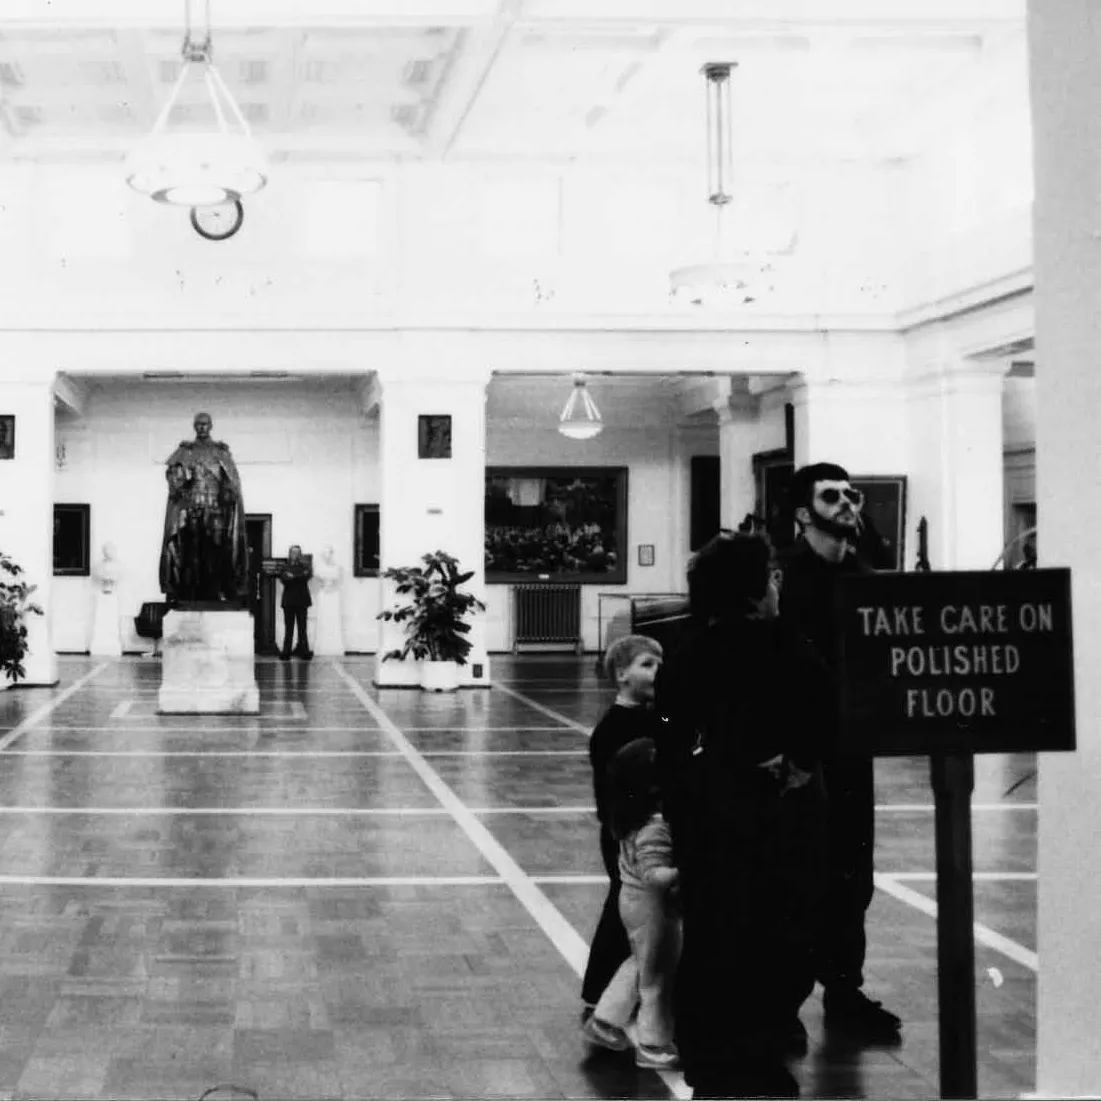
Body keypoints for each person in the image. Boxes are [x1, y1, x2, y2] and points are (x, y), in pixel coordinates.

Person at [656, 531, 827, 1099]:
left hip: (730, 819)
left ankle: (726, 1058)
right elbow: (820, 716)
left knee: (728, 939)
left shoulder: (699, 650)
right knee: (762, 938)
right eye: (771, 577)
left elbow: (676, 745)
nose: (779, 584)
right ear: (751, 594)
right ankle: (742, 1054)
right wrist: (785, 767)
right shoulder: (764, 647)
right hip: (754, 819)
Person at [778, 462, 902, 1043]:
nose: (847, 503)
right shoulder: (785, 581)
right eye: (831, 496)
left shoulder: (862, 572)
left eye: (851, 494)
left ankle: (844, 990)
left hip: (852, 748)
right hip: (802, 751)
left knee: (853, 876)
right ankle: (783, 1003)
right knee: (801, 876)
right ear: (805, 513)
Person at [581, 635, 665, 1025]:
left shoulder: (657, 716)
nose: (657, 671)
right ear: (621, 675)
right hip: (625, 832)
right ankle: (602, 989)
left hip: (648, 829)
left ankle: (609, 988)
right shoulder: (612, 729)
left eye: (660, 663)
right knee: (625, 909)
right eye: (647, 664)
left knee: (631, 910)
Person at [583, 737, 681, 1070]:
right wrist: (689, 869)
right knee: (656, 973)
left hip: (633, 902)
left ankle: (605, 1020)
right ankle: (653, 1042)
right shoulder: (655, 827)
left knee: (639, 963)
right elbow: (655, 876)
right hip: (650, 905)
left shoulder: (630, 819)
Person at [160, 412, 248, 604]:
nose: (202, 427)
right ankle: (188, 592)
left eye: (205, 424)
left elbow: (232, 482)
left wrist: (228, 493)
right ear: (194, 426)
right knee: (191, 552)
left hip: (216, 511)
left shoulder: (220, 452)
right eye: (198, 424)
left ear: (211, 426)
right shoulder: (185, 451)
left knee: (216, 551)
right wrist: (179, 481)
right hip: (192, 509)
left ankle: (217, 590)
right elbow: (172, 477)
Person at [279, 545, 313, 660]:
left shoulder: (305, 566)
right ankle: (286, 652)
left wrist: (293, 577)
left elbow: (307, 576)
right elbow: (285, 579)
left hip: (302, 601)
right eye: (293, 552)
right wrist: (299, 577)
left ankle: (304, 652)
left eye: (298, 552)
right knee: (289, 629)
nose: (295, 554)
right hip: (288, 602)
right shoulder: (284, 567)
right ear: (290, 553)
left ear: (300, 554)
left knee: (302, 629)